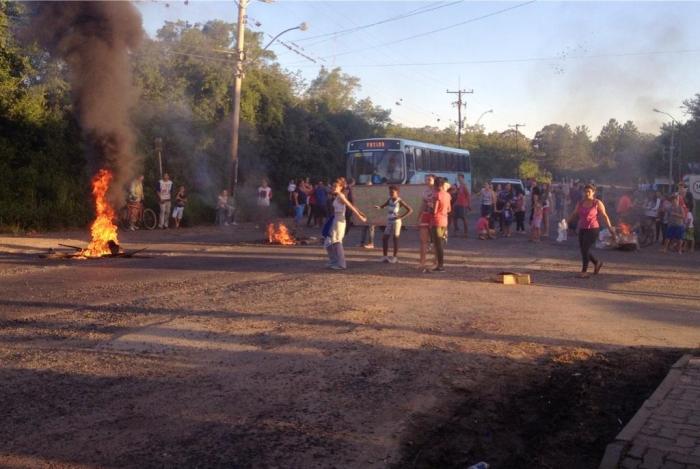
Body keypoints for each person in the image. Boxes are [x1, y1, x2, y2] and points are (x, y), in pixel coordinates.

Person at [567, 184, 615, 278]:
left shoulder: (597, 203)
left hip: (593, 229)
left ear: (593, 192)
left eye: (589, 191)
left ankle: (584, 272)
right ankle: (597, 263)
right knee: (583, 250)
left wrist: (610, 228)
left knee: (585, 249)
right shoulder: (580, 203)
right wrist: (566, 223)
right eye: (585, 191)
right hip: (582, 228)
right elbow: (574, 214)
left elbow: (604, 215)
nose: (586, 193)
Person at [326, 178, 367, 270]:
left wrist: (359, 216)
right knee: (328, 241)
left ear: (340, 187)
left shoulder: (341, 196)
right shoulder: (337, 196)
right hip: (335, 219)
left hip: (340, 220)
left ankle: (341, 264)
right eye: (332, 186)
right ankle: (334, 261)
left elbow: (350, 206)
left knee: (336, 241)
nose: (333, 187)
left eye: (335, 186)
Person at [375, 185, 413, 263]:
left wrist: (401, 217)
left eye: (392, 192)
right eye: (390, 192)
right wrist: (379, 207)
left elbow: (410, 210)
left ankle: (395, 257)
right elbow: (384, 205)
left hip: (396, 221)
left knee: (395, 238)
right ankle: (385, 256)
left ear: (397, 193)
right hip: (389, 220)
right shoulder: (389, 199)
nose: (390, 193)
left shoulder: (399, 201)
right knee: (385, 238)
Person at [428, 177, 451, 272]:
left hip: (436, 221)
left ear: (437, 185)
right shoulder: (447, 195)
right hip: (444, 221)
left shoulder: (437, 195)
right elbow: (449, 209)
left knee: (437, 245)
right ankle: (440, 265)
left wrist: (430, 206)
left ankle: (440, 265)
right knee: (440, 243)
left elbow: (434, 211)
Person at [417, 174, 435, 269]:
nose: (427, 181)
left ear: (434, 180)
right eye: (426, 180)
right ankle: (422, 261)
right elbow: (423, 205)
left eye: (429, 179)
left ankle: (435, 262)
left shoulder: (438, 191)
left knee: (436, 240)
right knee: (423, 240)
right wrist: (418, 217)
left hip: (435, 217)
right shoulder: (425, 192)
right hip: (426, 215)